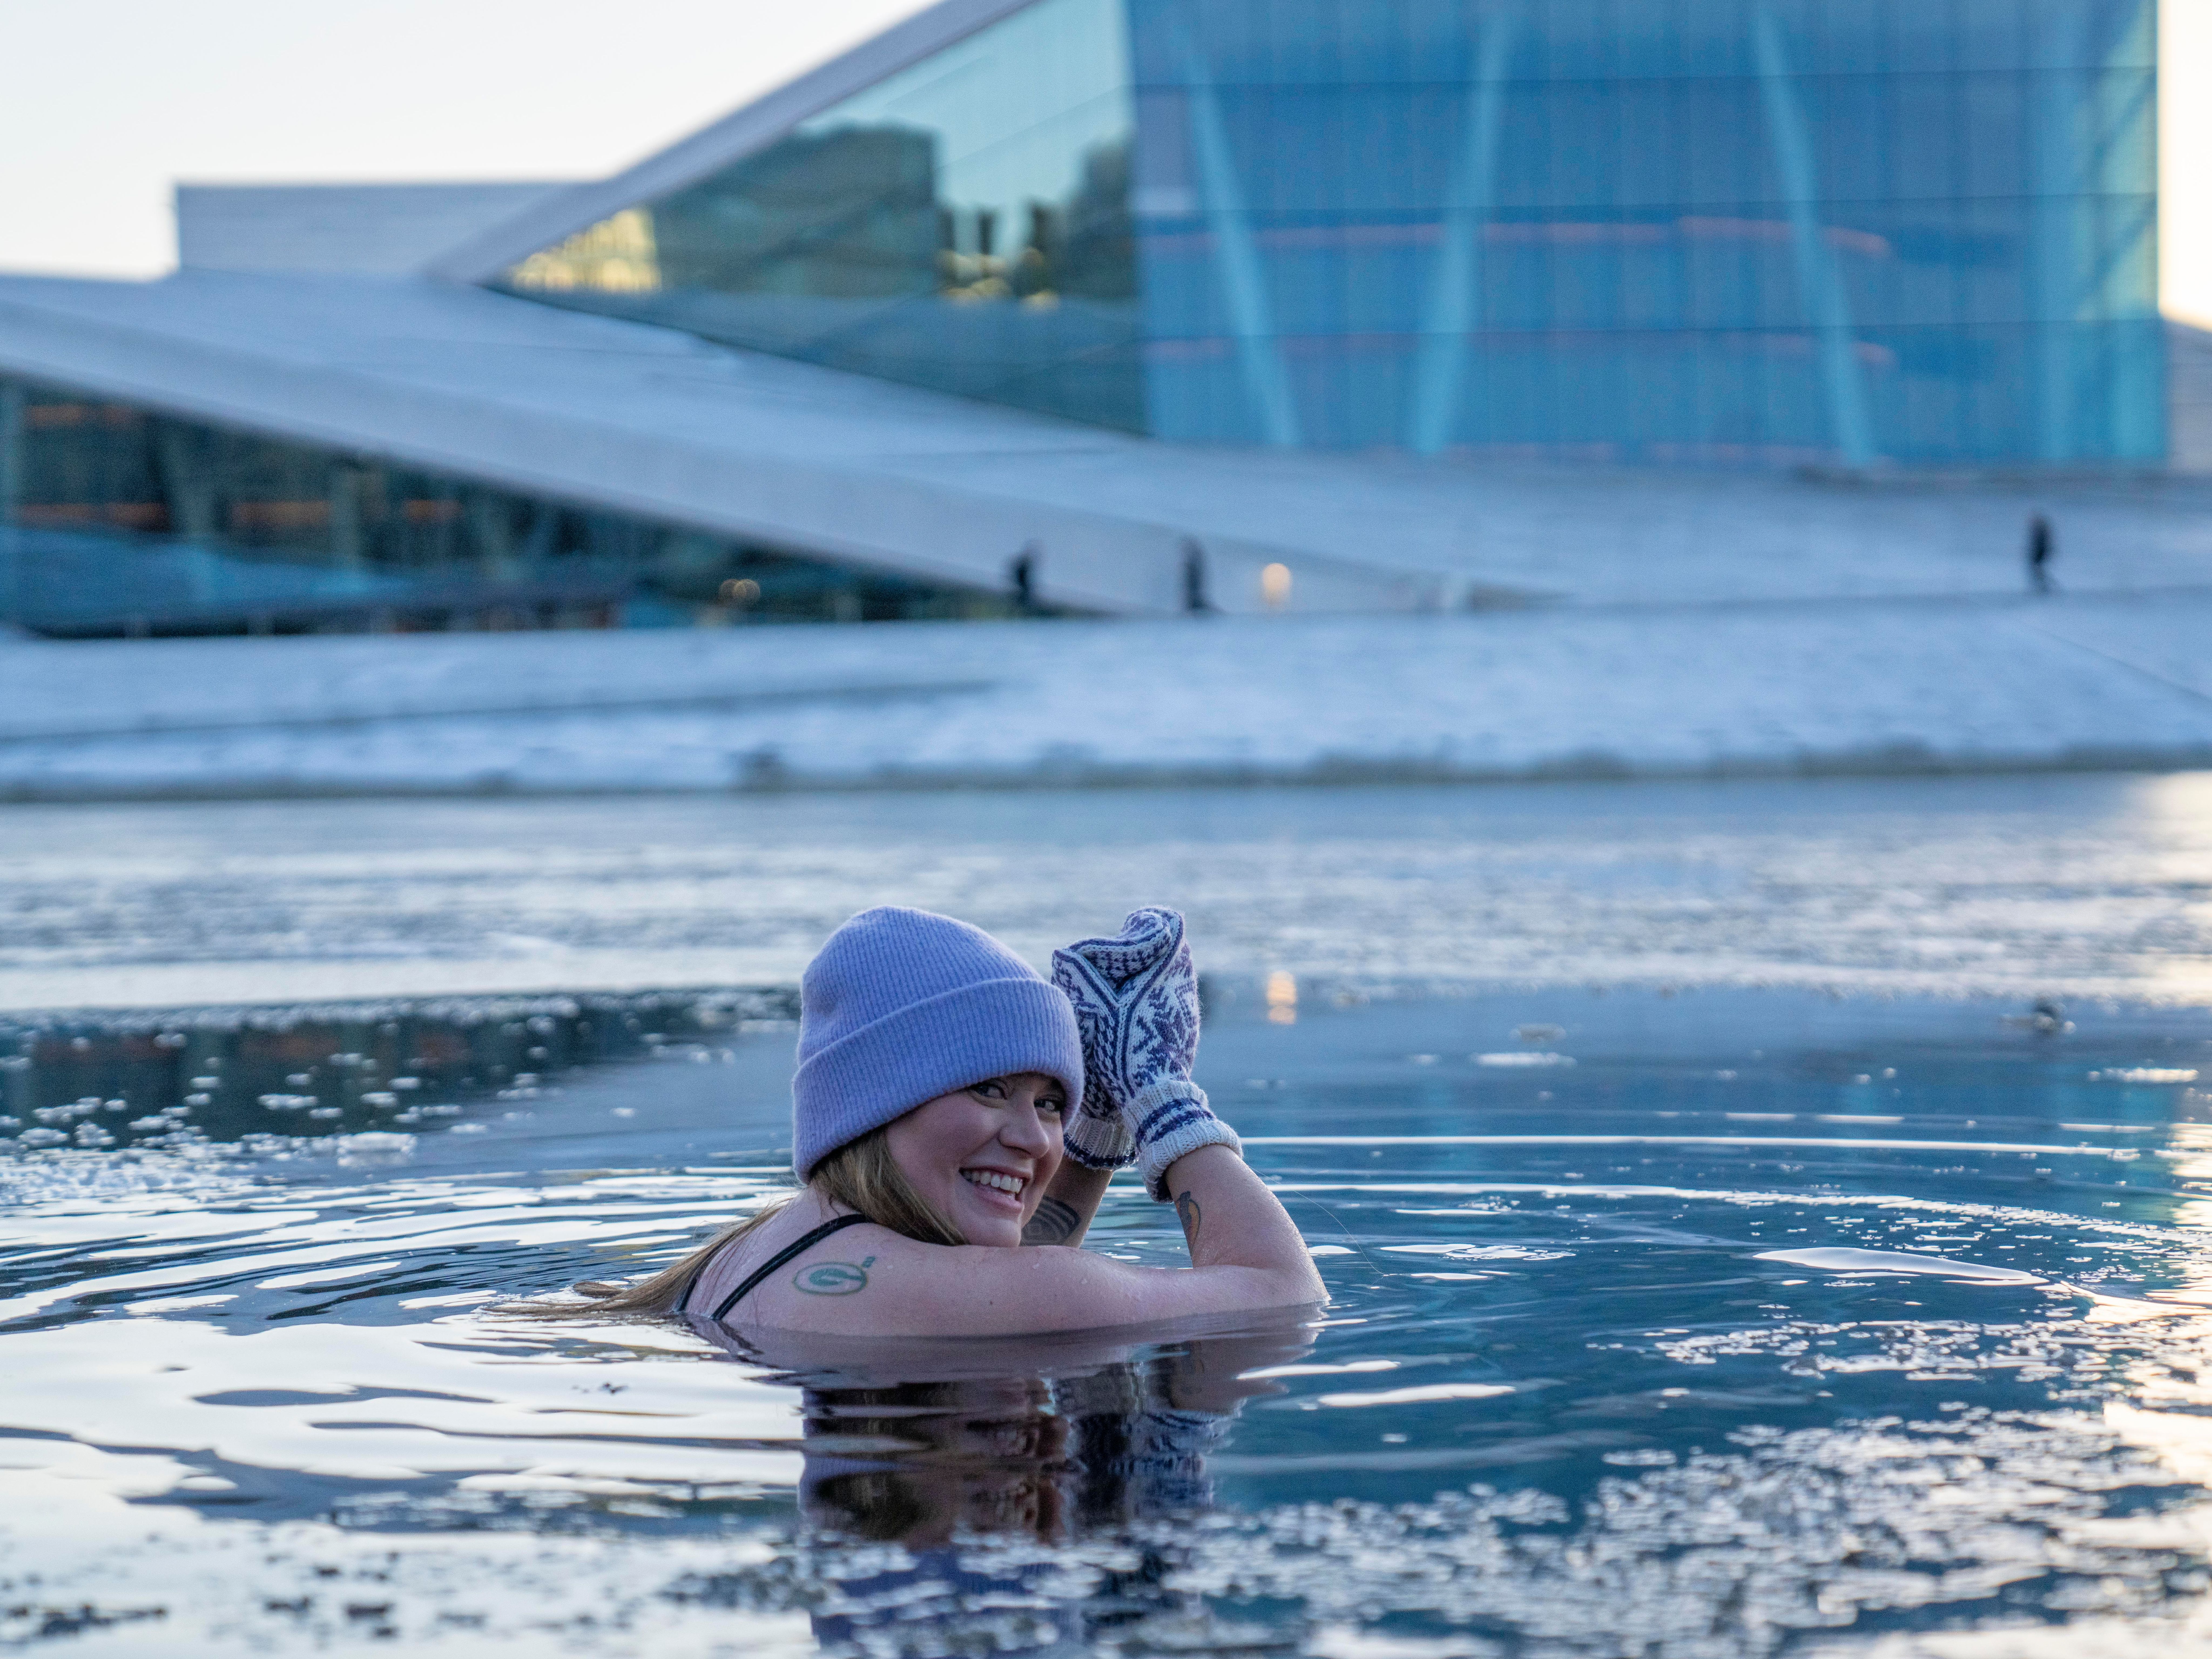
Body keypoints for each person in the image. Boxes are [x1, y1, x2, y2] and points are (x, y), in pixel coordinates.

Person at [552, 905, 1325, 1336]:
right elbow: (1282, 1296)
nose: (1033, 1140)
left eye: (1051, 1102)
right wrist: (1160, 1093)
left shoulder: (768, 1245)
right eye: (989, 1090)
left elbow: (1002, 1270)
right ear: (878, 1101)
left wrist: (1097, 1134)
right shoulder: (956, 1293)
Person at [2026, 512, 2053, 595]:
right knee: (2038, 570)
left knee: (2038, 570)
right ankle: (2044, 587)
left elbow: (2038, 544)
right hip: (2040, 552)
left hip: (2039, 553)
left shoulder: (2041, 531)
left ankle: (2044, 587)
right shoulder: (2043, 531)